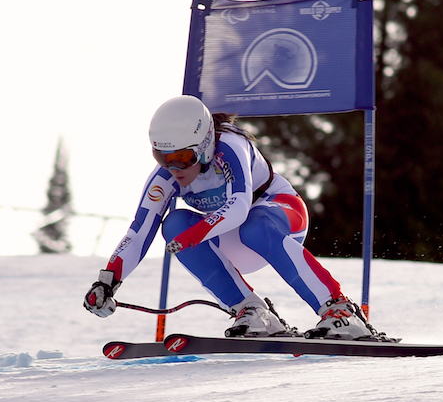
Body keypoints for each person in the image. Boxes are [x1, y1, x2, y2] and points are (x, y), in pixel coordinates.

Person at [84, 95, 377, 339]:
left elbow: (238, 207)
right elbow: (139, 231)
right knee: (173, 224)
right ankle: (252, 311)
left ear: (204, 143)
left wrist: (194, 235)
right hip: (228, 233)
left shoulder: (231, 147)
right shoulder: (166, 178)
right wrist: (108, 281)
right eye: (162, 157)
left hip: (278, 216)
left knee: (254, 225)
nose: (173, 167)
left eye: (182, 157)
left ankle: (338, 309)